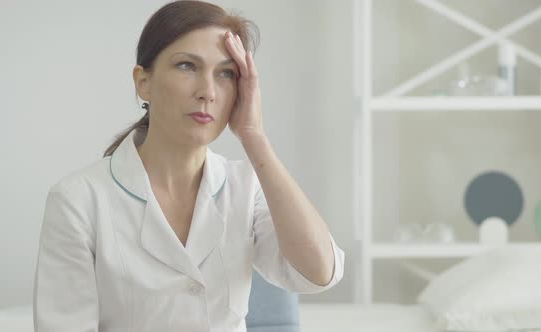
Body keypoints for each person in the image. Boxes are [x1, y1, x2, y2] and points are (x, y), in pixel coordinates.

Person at [33, 1, 345, 331]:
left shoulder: (246, 186)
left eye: (226, 74)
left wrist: (255, 137)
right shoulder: (77, 200)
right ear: (143, 82)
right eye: (186, 66)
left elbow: (319, 272)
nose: (207, 92)